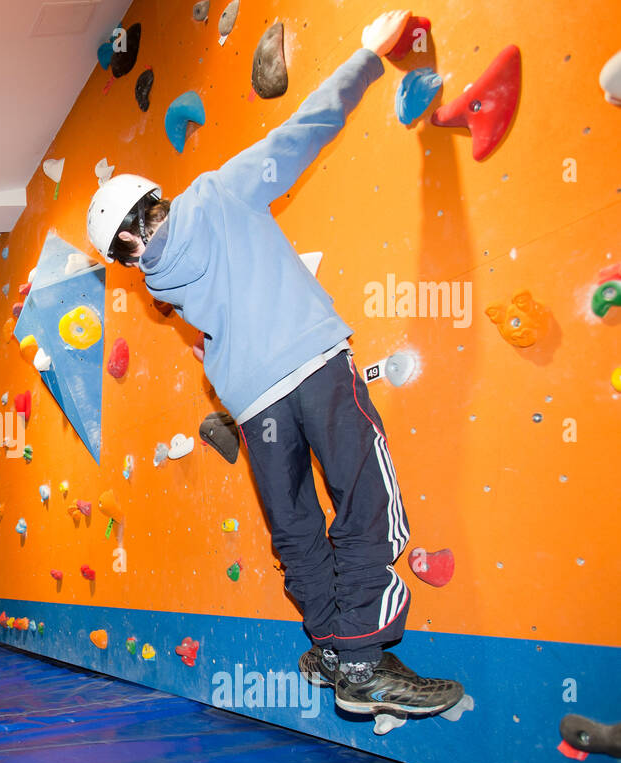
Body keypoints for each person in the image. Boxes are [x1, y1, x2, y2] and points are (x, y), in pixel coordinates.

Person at [86, 11, 465, 723]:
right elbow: (308, 127)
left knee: (295, 527)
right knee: (363, 500)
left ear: (124, 253)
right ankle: (362, 662)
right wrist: (365, 58)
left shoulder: (157, 285)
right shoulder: (216, 195)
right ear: (152, 199)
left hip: (254, 405)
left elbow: (202, 328)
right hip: (313, 366)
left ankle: (329, 647)